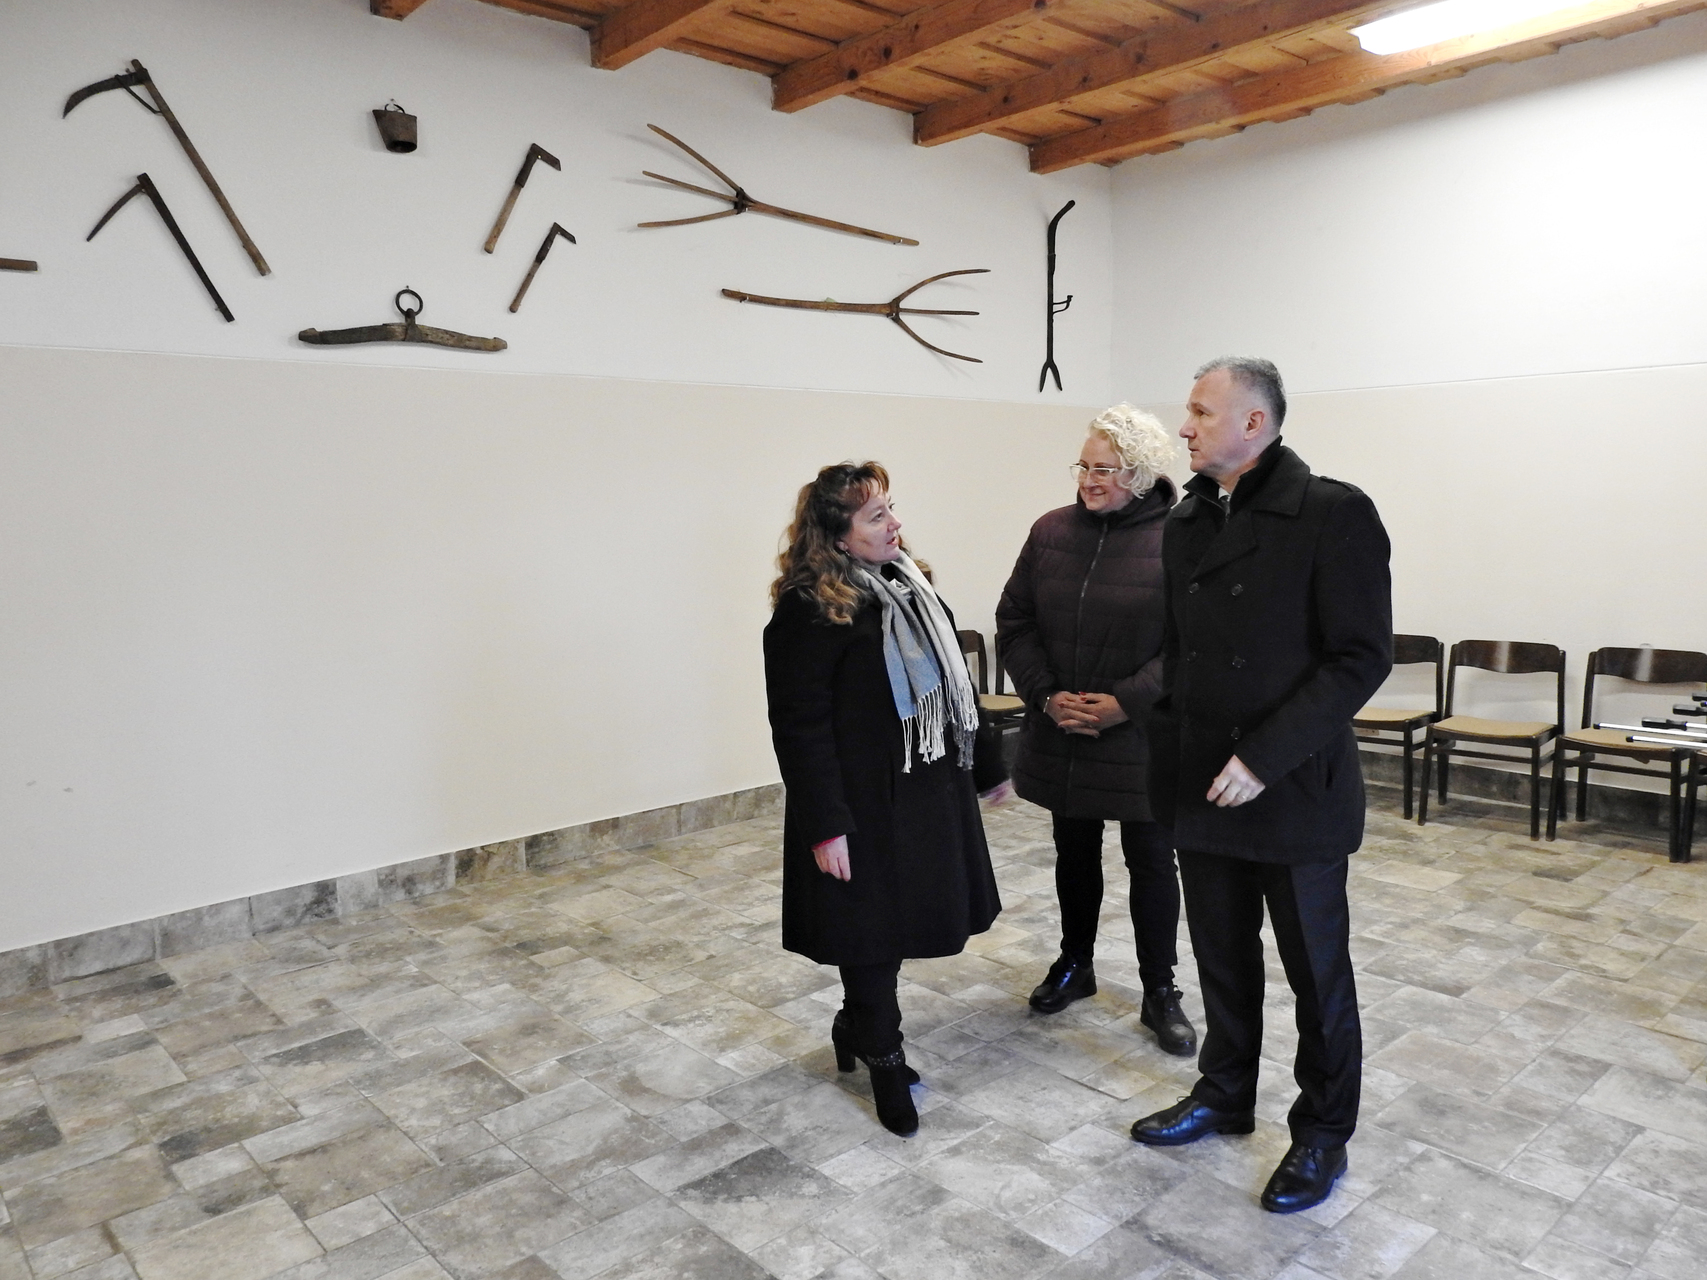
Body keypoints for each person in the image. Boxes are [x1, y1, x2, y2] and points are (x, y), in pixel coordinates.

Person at [1129, 357, 1392, 1215]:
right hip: (1204, 784)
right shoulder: (1186, 519)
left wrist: (1262, 758)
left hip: (1291, 786)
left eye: (1200, 411)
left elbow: (1359, 658)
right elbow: (1180, 651)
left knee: (1316, 975)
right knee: (1220, 956)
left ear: (1253, 422)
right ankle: (1223, 1092)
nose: (1184, 427)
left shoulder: (1332, 512)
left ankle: (1321, 1134)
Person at [764, 462, 1006, 1137]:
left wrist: (989, 766)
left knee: (898, 923)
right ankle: (882, 1050)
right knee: (867, 931)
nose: (895, 524)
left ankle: (854, 1023)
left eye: (892, 509)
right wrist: (825, 825)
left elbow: (956, 686)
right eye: (876, 516)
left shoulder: (911, 586)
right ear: (838, 535)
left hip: (924, 790)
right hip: (858, 802)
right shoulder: (807, 608)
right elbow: (799, 725)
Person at [995, 405, 1197, 1058]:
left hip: (1143, 735)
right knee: (1073, 853)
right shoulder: (1050, 531)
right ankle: (1074, 964)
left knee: (1151, 863)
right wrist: (1045, 695)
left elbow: (1191, 642)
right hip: (1066, 729)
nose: (1088, 479)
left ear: (1139, 473)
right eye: (1083, 466)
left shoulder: (1180, 537)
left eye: (1104, 469)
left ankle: (1159, 990)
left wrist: (1124, 703)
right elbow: (1016, 620)